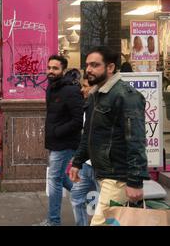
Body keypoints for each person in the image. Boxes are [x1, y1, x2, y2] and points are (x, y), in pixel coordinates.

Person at [69, 46, 149, 226]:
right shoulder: (96, 94)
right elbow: (88, 132)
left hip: (118, 178)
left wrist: (135, 181)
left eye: (94, 65)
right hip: (102, 173)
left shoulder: (126, 96)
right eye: (87, 65)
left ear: (110, 67)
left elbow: (136, 140)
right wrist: (77, 161)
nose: (88, 69)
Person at [37, 55, 84, 226]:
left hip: (65, 143)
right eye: (49, 67)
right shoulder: (52, 87)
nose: (50, 71)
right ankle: (83, 195)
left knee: (54, 179)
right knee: (59, 177)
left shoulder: (70, 90)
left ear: (63, 70)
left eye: (55, 68)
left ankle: (54, 222)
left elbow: (78, 120)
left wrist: (57, 132)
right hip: (55, 141)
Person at [70, 74, 99, 226]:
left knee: (102, 204)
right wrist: (77, 161)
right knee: (76, 196)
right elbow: (85, 136)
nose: (82, 90)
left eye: (85, 86)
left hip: (102, 165)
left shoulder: (102, 107)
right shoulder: (86, 105)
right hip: (86, 164)